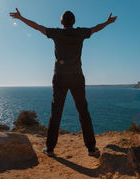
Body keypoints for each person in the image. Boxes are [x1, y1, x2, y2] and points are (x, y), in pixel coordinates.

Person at [9, 8, 117, 157]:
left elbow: (37, 26)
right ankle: (91, 148)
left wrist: (21, 18)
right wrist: (108, 22)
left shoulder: (56, 33)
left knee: (56, 112)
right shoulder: (80, 33)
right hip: (77, 77)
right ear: (74, 22)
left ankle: (50, 148)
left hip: (60, 77)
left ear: (61, 22)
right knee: (83, 111)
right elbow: (96, 29)